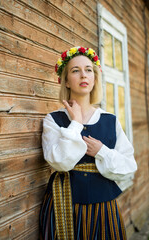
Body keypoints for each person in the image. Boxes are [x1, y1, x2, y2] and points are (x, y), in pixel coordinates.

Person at [39, 46, 137, 240]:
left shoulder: (110, 120)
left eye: (88, 70)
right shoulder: (53, 120)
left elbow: (128, 166)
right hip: (64, 203)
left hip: (102, 208)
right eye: (75, 70)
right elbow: (60, 162)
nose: (83, 75)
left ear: (94, 78)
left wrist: (102, 151)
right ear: (66, 81)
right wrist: (75, 123)